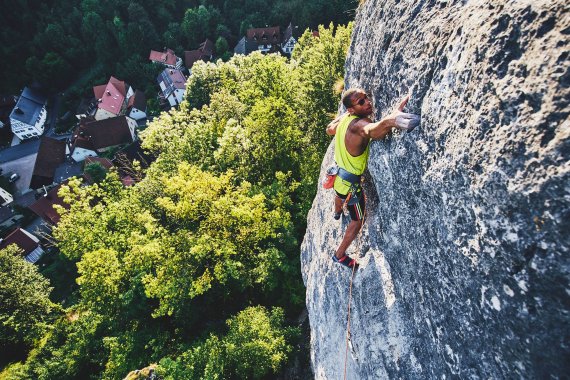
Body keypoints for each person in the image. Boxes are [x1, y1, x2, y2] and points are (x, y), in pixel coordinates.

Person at [326, 88, 420, 269]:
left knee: (338, 194)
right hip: (351, 185)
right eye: (361, 102)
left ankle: (337, 212)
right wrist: (390, 121)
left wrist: (343, 116)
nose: (368, 102)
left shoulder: (345, 120)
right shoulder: (359, 125)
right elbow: (372, 131)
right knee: (357, 220)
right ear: (352, 109)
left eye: (366, 98)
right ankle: (339, 255)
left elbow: (330, 129)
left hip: (337, 175)